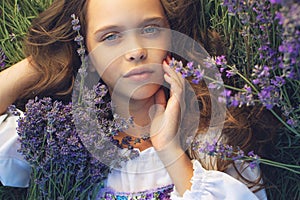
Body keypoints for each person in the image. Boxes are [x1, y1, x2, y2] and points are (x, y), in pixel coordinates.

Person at [0, 0, 274, 199]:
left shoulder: (211, 141)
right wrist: (54, 57)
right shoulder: (59, 139)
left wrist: (169, 150)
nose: (136, 51)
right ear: (86, 51)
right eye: (110, 37)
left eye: (151, 29)